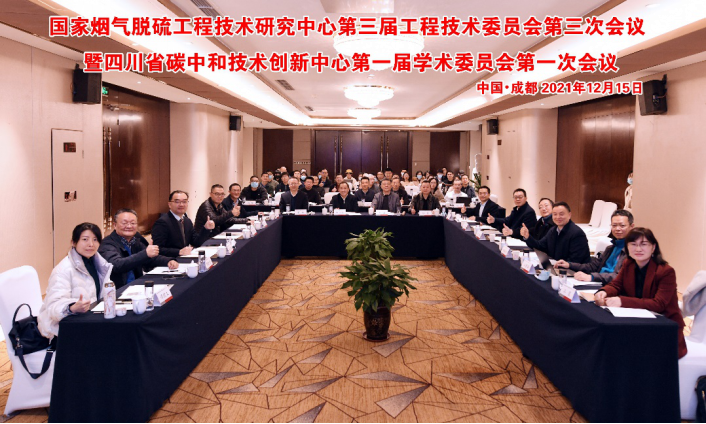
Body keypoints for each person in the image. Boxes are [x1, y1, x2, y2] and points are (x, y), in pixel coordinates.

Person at [594, 228, 687, 359]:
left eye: (643, 244)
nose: (638, 249)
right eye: (633, 244)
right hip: (637, 320)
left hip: (664, 326)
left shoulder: (665, 271)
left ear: (653, 247)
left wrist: (622, 301)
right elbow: (616, 285)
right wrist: (604, 291)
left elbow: (659, 304)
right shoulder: (628, 263)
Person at [39, 223, 113, 339]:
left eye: (95, 240)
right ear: (74, 242)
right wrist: (71, 308)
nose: (91, 244)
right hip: (63, 331)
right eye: (85, 239)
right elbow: (53, 306)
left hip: (89, 322)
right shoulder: (63, 269)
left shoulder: (99, 264)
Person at [99, 209, 178, 289]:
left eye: (133, 223)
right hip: (118, 289)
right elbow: (117, 265)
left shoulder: (134, 241)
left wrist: (168, 261)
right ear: (115, 225)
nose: (129, 226)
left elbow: (150, 258)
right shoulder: (107, 243)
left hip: (137, 286)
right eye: (124, 223)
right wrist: (145, 253)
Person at [556, 210, 635, 284]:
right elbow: (593, 266)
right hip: (599, 282)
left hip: (611, 286)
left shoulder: (633, 251)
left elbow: (620, 276)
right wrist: (569, 265)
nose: (617, 229)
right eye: (614, 225)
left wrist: (592, 277)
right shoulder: (610, 248)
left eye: (622, 225)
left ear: (632, 226)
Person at [520, 202, 591, 263]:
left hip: (575, 272)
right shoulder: (553, 230)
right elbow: (540, 246)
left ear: (569, 215)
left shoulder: (577, 233)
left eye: (561, 214)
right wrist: (527, 236)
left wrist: (557, 265)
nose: (558, 217)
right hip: (556, 268)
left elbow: (576, 260)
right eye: (555, 214)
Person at [151, 190, 214, 258]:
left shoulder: (187, 221)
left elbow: (196, 242)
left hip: (185, 259)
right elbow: (157, 249)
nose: (181, 205)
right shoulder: (162, 222)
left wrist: (206, 229)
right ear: (169, 204)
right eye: (177, 202)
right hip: (170, 260)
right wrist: (179, 252)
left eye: (184, 202)